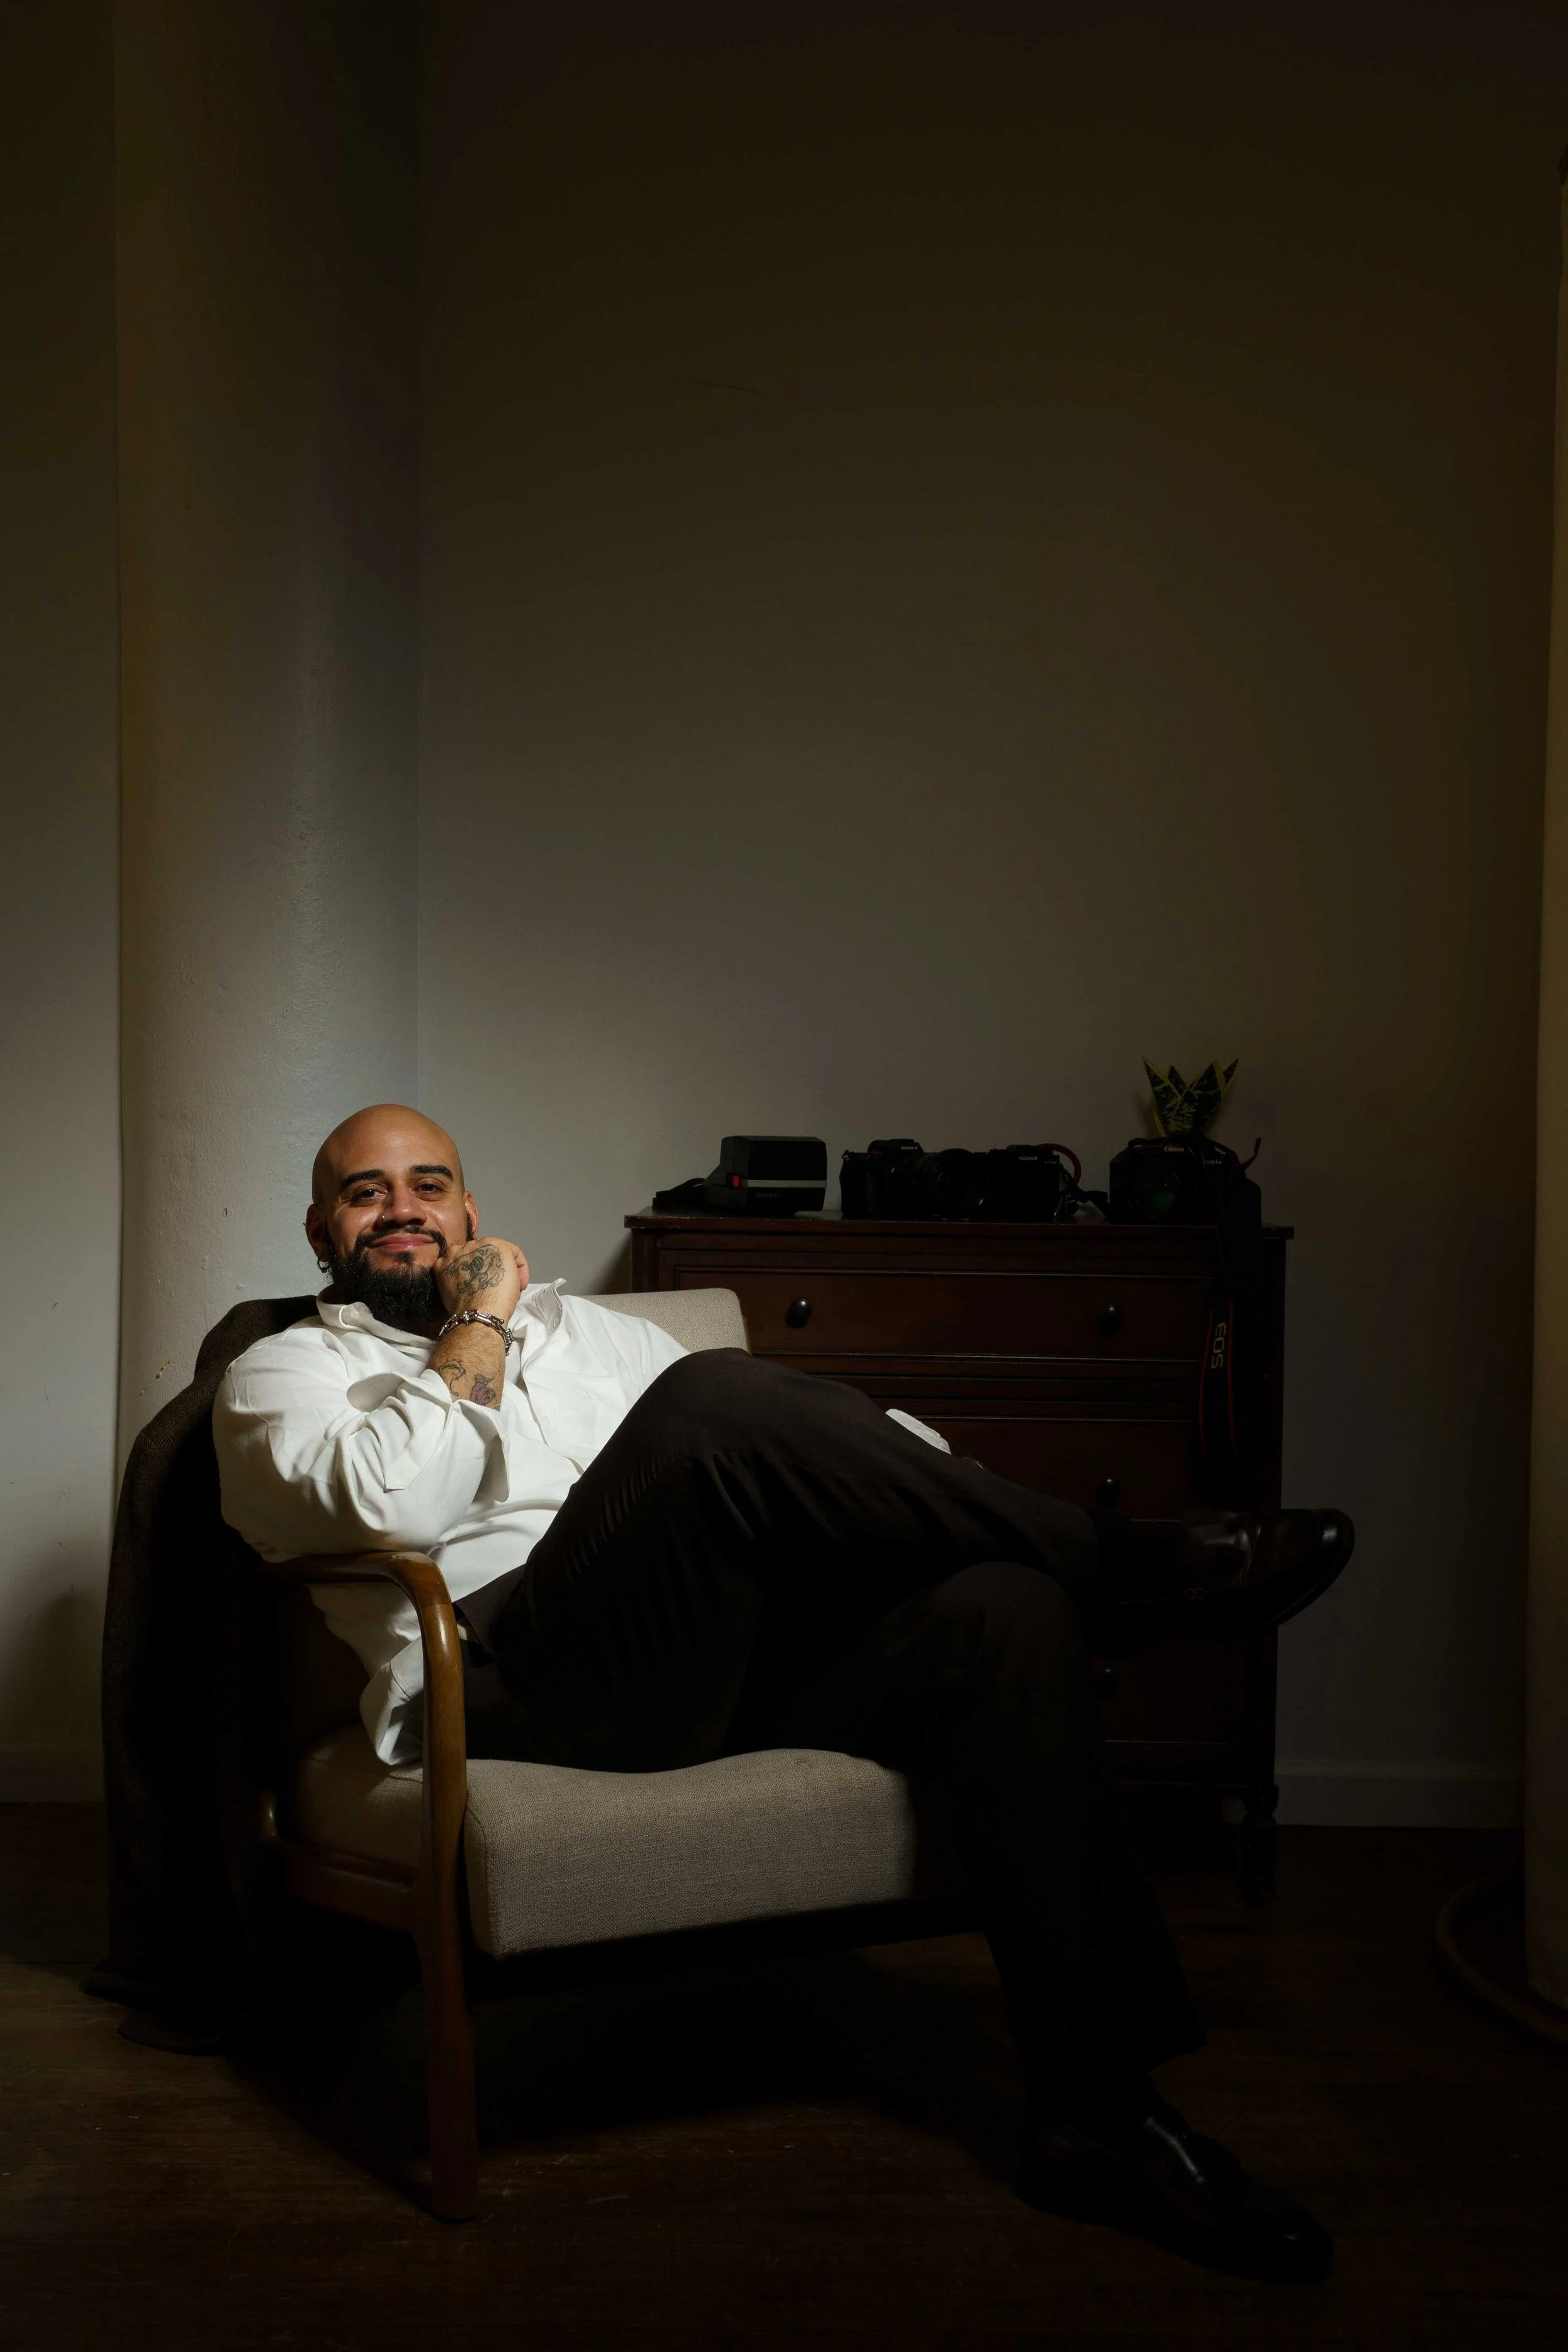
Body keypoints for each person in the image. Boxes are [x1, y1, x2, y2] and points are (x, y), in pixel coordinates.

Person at [214, 1103, 1353, 2280]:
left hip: (711, 1653)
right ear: (319, 1230)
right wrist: (480, 1318)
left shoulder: (598, 1336)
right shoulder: (281, 1375)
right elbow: (394, 1505)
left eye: (429, 1183)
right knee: (710, 1397)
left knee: (1002, 1609)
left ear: (469, 1210)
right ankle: (1133, 1569)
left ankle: (1100, 2110)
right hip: (509, 1679)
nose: (402, 1208)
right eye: (366, 1192)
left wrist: (944, 1498)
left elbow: (808, 1444)